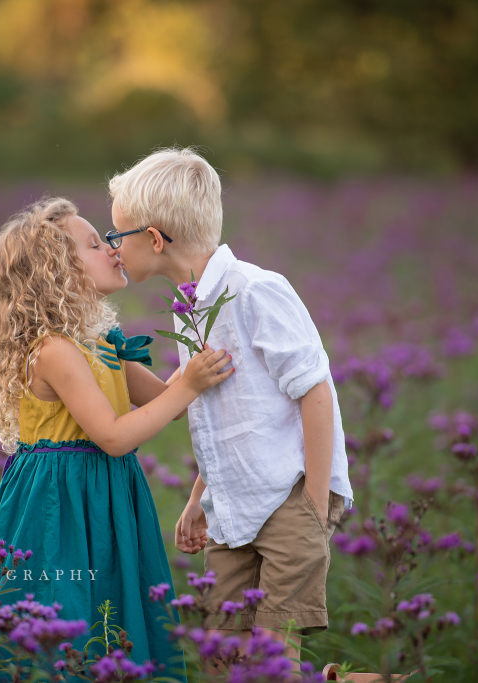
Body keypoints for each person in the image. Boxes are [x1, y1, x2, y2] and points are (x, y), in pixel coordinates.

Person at [108, 148, 354, 674]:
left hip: (289, 496)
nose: (112, 248)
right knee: (225, 656)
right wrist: (202, 497)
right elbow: (217, 419)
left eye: (117, 236)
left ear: (153, 239)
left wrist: (312, 505)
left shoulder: (254, 292)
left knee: (271, 656)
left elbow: (315, 391)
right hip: (234, 508)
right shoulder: (192, 308)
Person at [0, 196, 233, 681]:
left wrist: (209, 346)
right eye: (95, 244)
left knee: (113, 609)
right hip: (59, 500)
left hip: (106, 494)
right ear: (57, 270)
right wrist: (192, 382)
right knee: (64, 611)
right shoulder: (54, 349)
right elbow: (113, 437)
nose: (113, 249)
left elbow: (164, 401)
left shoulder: (102, 341)